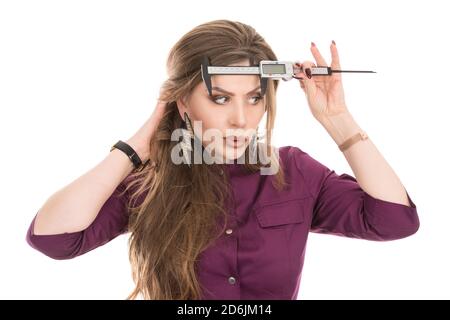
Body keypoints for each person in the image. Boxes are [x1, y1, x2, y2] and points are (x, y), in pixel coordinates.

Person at [25, 19, 420, 300]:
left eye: (254, 97)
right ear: (181, 101)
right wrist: (136, 148)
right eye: (220, 98)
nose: (241, 118)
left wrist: (337, 120)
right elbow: (53, 240)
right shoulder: (148, 180)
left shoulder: (295, 172)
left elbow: (394, 221)